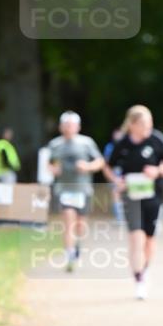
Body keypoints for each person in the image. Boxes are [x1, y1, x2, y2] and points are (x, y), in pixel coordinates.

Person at [105, 105, 163, 299]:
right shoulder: (122, 144)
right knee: (136, 238)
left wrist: (159, 171)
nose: (149, 127)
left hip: (154, 196)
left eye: (150, 122)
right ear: (133, 125)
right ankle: (139, 279)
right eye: (145, 124)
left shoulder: (157, 140)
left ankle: (145, 270)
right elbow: (107, 166)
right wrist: (116, 181)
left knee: (149, 240)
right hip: (131, 197)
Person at [47, 112, 105, 272]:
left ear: (78, 127)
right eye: (66, 125)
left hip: (83, 189)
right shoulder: (54, 145)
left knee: (80, 225)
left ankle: (76, 244)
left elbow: (100, 162)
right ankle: (70, 255)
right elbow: (47, 165)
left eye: (71, 125)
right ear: (61, 127)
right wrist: (53, 169)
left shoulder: (86, 143)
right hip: (63, 189)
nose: (68, 128)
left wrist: (87, 167)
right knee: (68, 222)